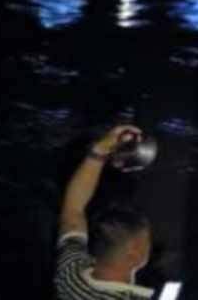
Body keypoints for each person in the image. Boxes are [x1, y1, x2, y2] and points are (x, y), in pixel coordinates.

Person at [55, 125, 154, 300]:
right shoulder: (70, 272)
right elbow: (73, 211)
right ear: (134, 252)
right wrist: (99, 150)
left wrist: (99, 149)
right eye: (147, 241)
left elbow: (73, 210)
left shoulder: (71, 277)